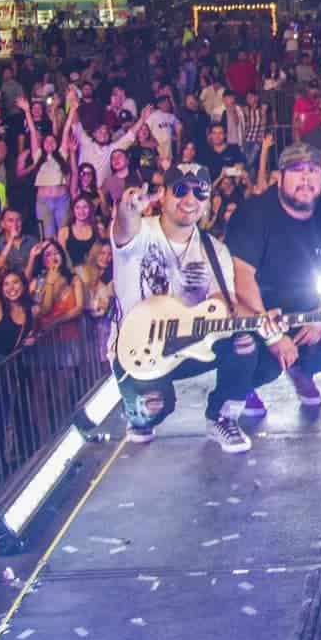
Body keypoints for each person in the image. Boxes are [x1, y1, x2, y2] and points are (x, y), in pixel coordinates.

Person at [110, 177, 258, 451]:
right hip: (139, 349)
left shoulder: (214, 249)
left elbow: (221, 303)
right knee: (152, 410)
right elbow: (123, 229)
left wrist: (262, 322)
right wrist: (129, 208)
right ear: (163, 196)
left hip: (188, 343)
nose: (190, 200)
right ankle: (139, 414)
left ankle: (222, 417)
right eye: (180, 190)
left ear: (207, 203)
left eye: (199, 193)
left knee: (244, 342)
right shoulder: (141, 232)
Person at [225, 142, 321, 411]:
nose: (305, 179)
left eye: (313, 171)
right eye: (297, 171)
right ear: (279, 177)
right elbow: (242, 279)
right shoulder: (253, 214)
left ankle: (301, 371)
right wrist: (271, 336)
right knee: (257, 356)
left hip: (308, 310)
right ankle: (241, 385)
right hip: (260, 312)